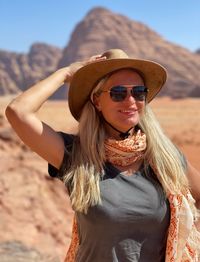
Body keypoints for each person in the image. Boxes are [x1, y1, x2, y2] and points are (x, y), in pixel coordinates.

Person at [5, 49, 200, 262]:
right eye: (118, 93)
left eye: (138, 92)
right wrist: (66, 73)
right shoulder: (75, 155)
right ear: (97, 101)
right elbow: (18, 112)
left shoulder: (165, 157)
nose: (131, 101)